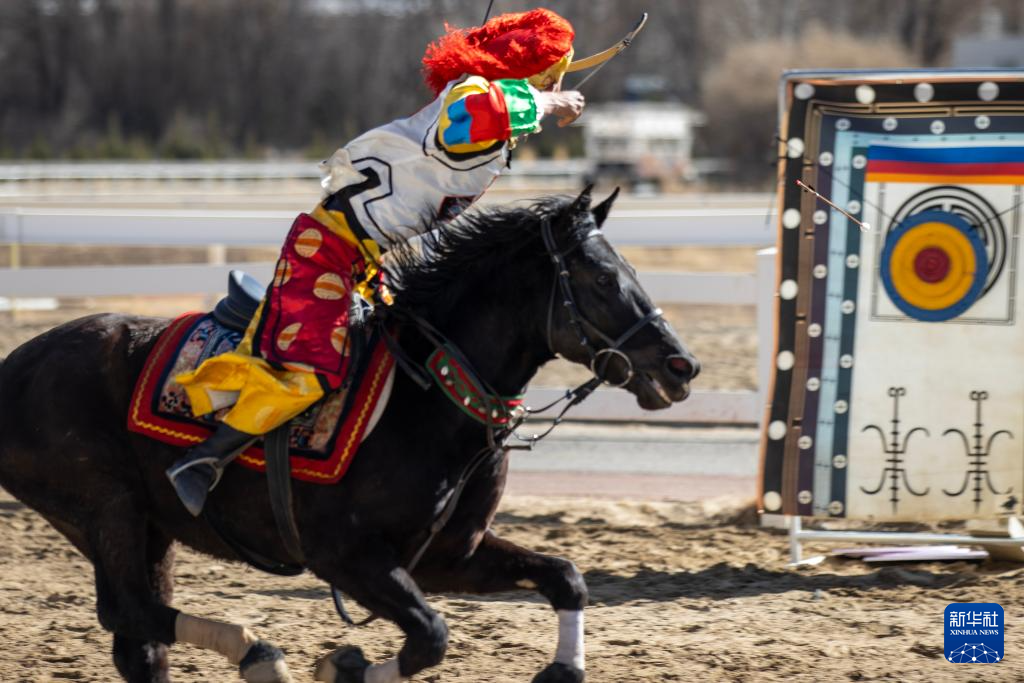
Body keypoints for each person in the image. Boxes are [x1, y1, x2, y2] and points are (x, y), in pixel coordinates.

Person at [166, 7, 590, 516]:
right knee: (316, 370)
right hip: (327, 251)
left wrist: (539, 105)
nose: (557, 86)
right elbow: (471, 121)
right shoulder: (468, 98)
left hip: (362, 259)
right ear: (533, 75)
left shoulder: (483, 107)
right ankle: (205, 460)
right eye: (552, 76)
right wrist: (545, 102)